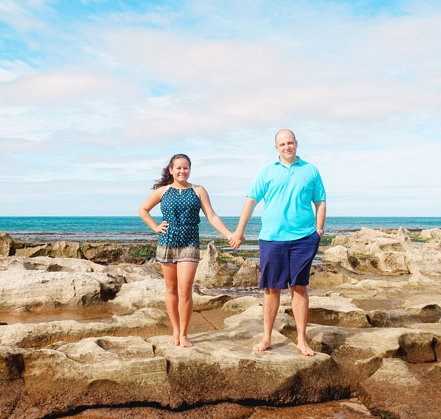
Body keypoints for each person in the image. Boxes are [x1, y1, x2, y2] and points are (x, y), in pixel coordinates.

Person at [230, 130, 326, 356]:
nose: (287, 147)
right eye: (282, 144)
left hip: (304, 239)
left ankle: (302, 341)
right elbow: (250, 201)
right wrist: (239, 230)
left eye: (290, 143)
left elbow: (320, 202)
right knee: (272, 289)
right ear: (276, 148)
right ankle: (267, 338)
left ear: (296, 144)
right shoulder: (267, 171)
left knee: (299, 288)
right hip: (272, 239)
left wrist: (318, 232)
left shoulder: (310, 170)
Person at [138, 153, 237, 348]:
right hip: (167, 241)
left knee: (185, 291)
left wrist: (229, 234)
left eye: (186, 168)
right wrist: (156, 227)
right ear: (171, 170)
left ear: (189, 170)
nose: (182, 171)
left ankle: (184, 334)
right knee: (171, 289)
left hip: (189, 242)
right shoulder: (163, 191)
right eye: (178, 168)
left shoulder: (198, 190)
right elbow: (143, 210)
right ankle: (175, 331)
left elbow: (212, 216)